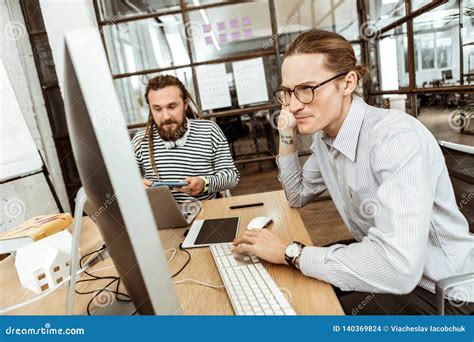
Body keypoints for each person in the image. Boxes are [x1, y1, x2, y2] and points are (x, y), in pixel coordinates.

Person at [232, 29, 474, 315]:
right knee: (291, 292)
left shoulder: (395, 138)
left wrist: (289, 252)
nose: (293, 105)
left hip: (443, 292)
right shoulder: (326, 139)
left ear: (348, 83)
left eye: (307, 89)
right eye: (287, 92)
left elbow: (399, 267)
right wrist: (287, 135)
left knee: (313, 312)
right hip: (389, 268)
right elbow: (296, 195)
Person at [131, 75, 239, 203]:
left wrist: (205, 183)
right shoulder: (140, 140)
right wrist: (136, 187)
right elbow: (124, 180)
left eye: (172, 107)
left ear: (185, 104)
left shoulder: (209, 131)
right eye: (158, 109)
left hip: (207, 212)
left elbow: (231, 176)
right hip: (162, 218)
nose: (166, 116)